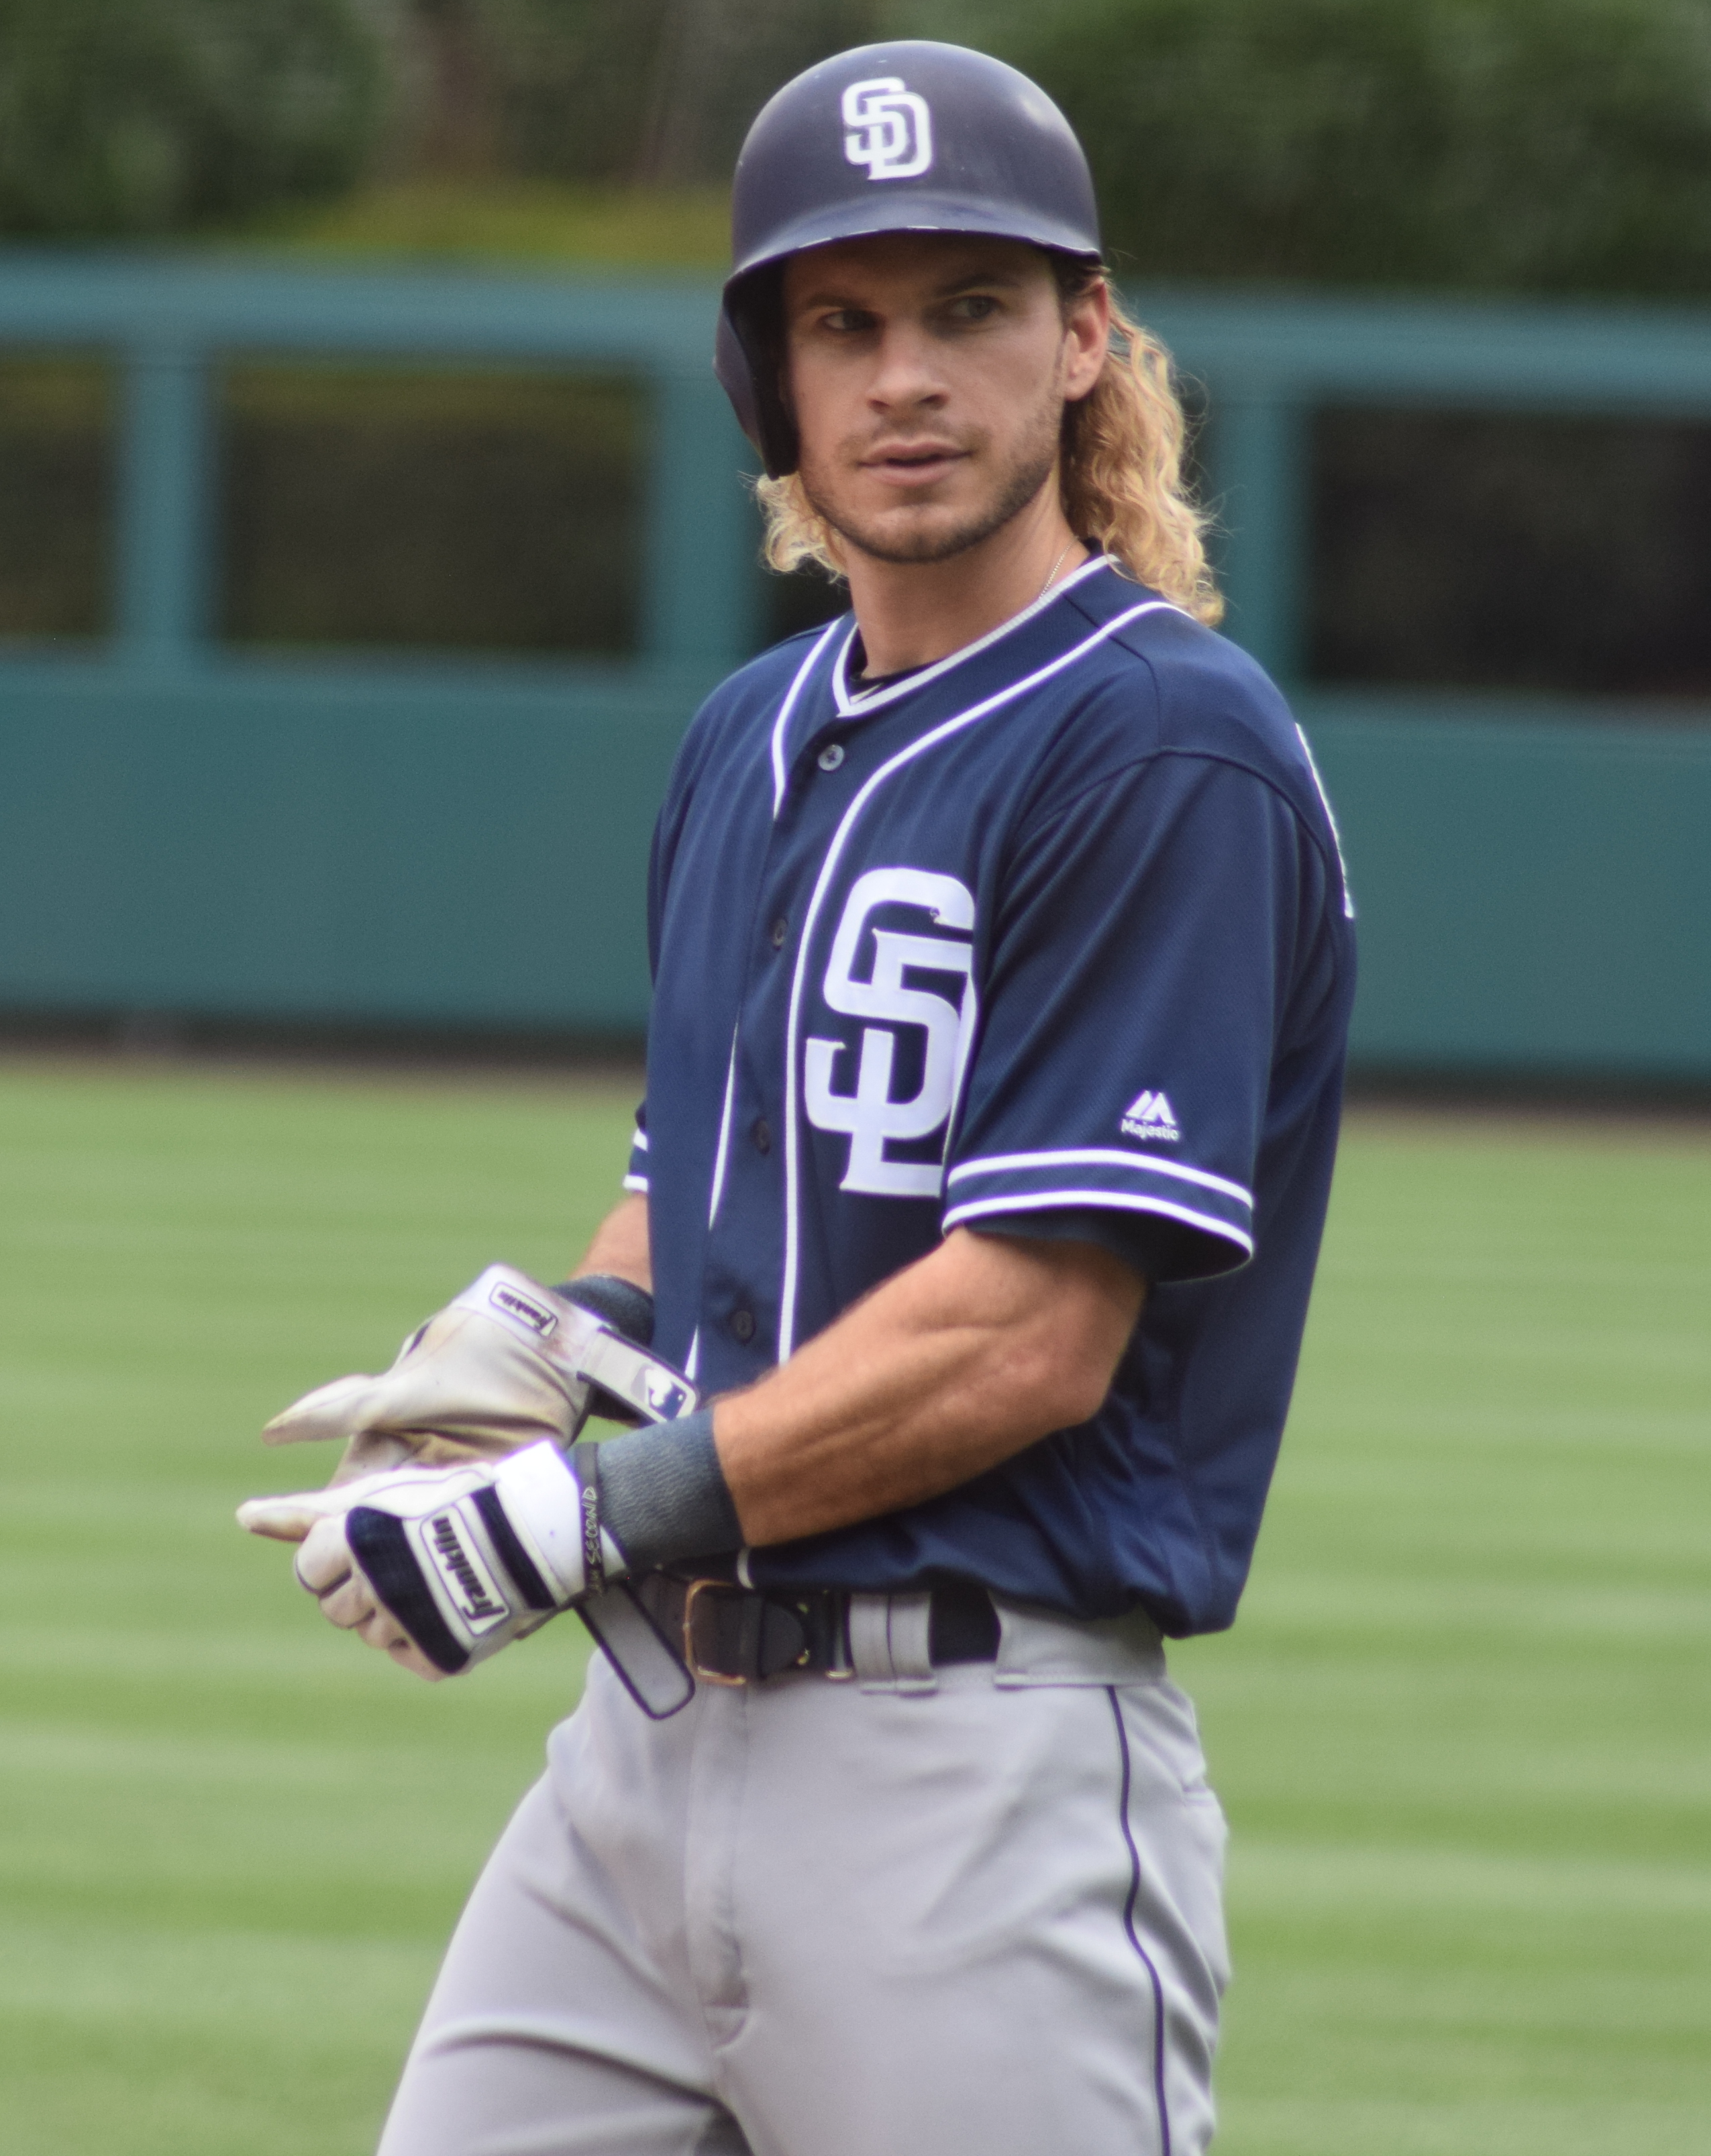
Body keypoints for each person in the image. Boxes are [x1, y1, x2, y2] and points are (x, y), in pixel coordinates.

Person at [240, 39, 1355, 2156]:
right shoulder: (751, 733)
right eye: (842, 323)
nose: (905, 378)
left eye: (969, 310)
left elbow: (1029, 1329)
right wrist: (538, 1355)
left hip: (972, 1769)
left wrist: (586, 1509)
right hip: (642, 1763)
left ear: (1084, 338)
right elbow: (696, 1200)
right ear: (769, 378)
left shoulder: (1161, 748)